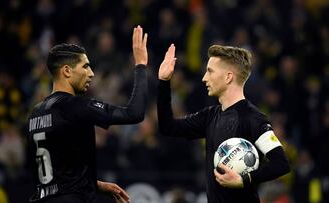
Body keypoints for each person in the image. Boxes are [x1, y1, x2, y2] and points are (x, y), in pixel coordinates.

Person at [27, 25, 148, 203]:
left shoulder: (35, 113)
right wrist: (140, 65)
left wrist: (95, 184)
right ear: (67, 71)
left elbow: (52, 171)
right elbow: (134, 113)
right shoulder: (75, 106)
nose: (91, 74)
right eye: (85, 67)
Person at [157, 44, 290, 202]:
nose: (204, 78)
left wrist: (243, 180)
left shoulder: (253, 119)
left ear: (228, 77)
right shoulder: (210, 116)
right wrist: (164, 82)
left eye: (210, 71)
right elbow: (168, 127)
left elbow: (281, 163)